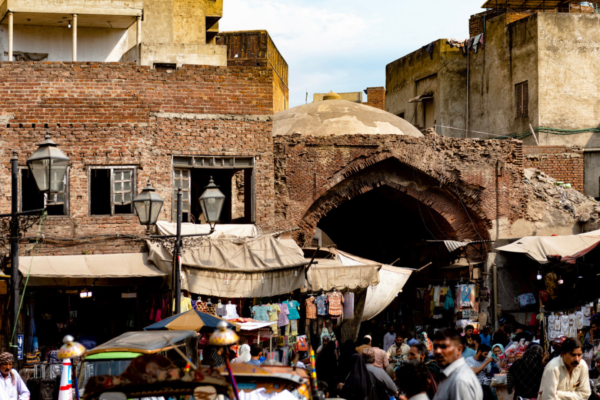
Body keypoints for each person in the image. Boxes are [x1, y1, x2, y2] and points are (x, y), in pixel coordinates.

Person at [431, 328, 483, 400]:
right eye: (435, 347)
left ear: (459, 349)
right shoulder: (451, 376)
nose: (437, 351)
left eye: (444, 347)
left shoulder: (460, 381)